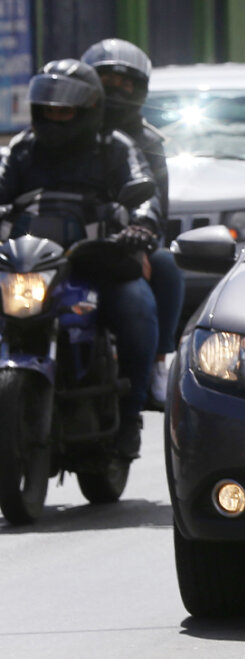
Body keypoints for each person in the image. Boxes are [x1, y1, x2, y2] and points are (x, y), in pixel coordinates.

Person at [0, 59, 159, 460]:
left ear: (88, 111)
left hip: (97, 260)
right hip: (31, 266)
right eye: (49, 109)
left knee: (137, 307)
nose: (55, 117)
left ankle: (130, 411)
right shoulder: (21, 149)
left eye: (65, 110)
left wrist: (141, 224)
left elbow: (144, 190)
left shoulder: (117, 147)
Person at [82, 38, 183, 408]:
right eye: (105, 80)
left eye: (126, 84)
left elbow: (154, 202)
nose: (115, 91)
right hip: (61, 240)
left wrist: (139, 235)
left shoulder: (142, 145)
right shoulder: (55, 137)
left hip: (121, 243)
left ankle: (154, 366)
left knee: (165, 267)